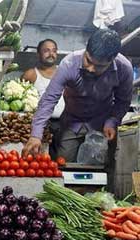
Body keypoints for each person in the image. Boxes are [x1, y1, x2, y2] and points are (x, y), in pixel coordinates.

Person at [22, 29, 133, 165]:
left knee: (101, 169)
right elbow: (49, 100)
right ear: (86, 48)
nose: (91, 69)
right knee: (64, 164)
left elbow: (123, 101)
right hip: (71, 123)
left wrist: (112, 120)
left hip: (102, 126)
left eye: (99, 66)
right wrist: (36, 134)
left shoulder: (124, 69)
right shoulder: (69, 64)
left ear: (112, 60)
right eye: (88, 61)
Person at [21, 38, 65, 157]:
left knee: (61, 158)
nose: (51, 54)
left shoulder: (64, 72)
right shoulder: (31, 74)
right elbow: (20, 98)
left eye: (54, 51)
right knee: (41, 158)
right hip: (41, 125)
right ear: (38, 54)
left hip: (63, 124)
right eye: (46, 50)